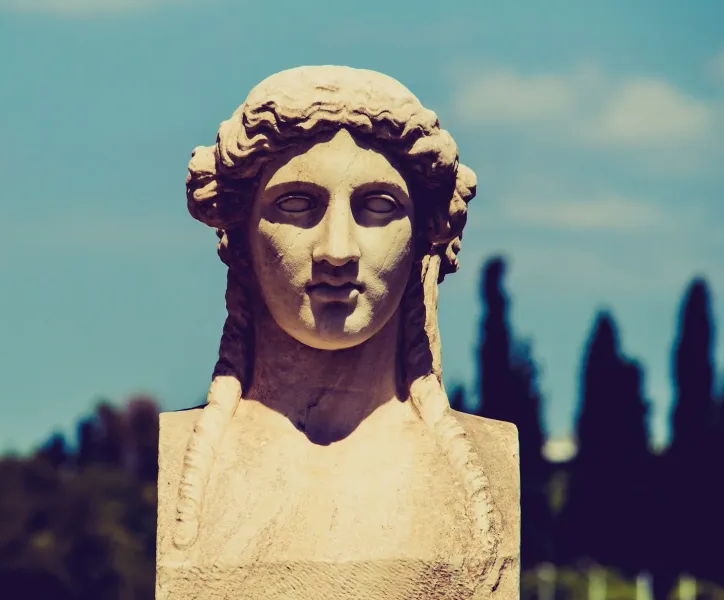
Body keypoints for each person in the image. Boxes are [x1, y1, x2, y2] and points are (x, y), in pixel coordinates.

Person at [157, 65, 519, 599]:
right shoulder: (187, 464)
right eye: (297, 205)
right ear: (240, 236)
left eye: (377, 207)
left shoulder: (486, 467)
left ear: (425, 233)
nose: (337, 250)